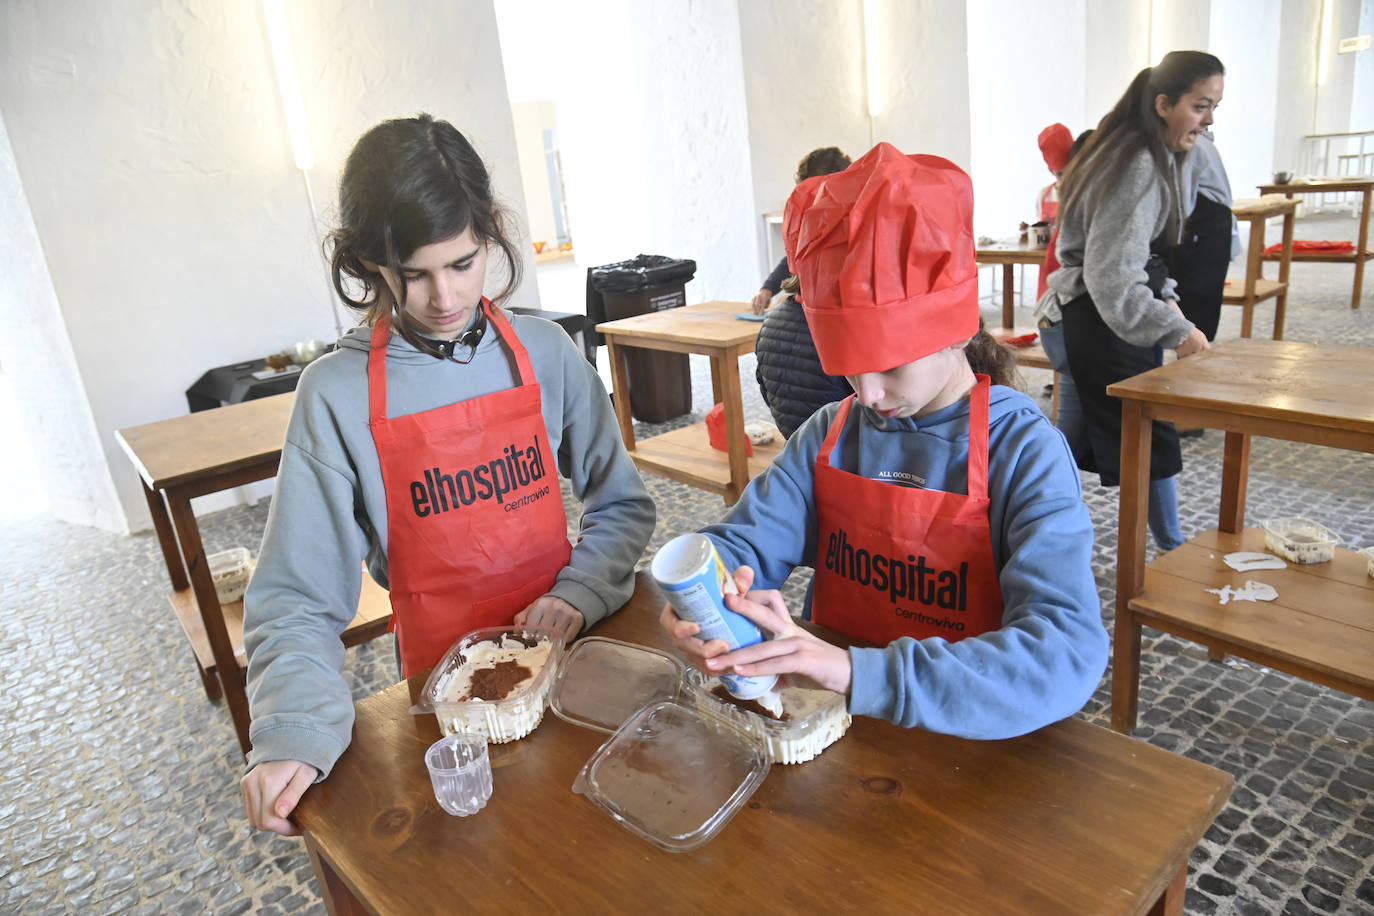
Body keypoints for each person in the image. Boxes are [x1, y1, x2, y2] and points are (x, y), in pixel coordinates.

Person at [240, 114, 655, 836]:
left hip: (572, 669)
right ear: (369, 263)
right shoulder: (335, 396)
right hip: (448, 705)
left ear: (489, 235)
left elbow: (622, 504)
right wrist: (294, 732)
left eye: (463, 263)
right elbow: (297, 597)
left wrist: (581, 591)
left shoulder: (545, 353)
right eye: (414, 274)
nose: (444, 298)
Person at [661, 144, 1108, 739]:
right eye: (848, 367)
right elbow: (745, 543)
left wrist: (859, 672)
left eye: (891, 364)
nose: (868, 394)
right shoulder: (831, 433)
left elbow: (1064, 654)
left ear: (955, 332)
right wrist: (707, 593)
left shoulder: (1023, 450)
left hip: (969, 730)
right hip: (839, 727)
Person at [1046, 51, 1221, 553]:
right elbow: (1114, 280)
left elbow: (1133, 255)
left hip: (1075, 315)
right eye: (1200, 106)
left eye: (1213, 108)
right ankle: (1173, 547)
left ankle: (1030, 534)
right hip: (1095, 321)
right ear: (1164, 104)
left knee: (1070, 440)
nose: (1209, 121)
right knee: (1149, 440)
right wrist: (1178, 332)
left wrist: (1166, 298)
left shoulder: (1124, 150)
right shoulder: (1138, 164)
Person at [1034, 129, 1094, 452]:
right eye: (1056, 173)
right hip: (1062, 306)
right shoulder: (1079, 199)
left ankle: (1060, 461)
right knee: (1071, 416)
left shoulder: (1082, 197)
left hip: (1063, 305)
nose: (1061, 180)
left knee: (1074, 411)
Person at [749, 146, 853, 315]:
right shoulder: (842, 209)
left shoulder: (847, 215)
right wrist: (768, 289)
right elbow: (799, 255)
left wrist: (790, 301)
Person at [1168, 129, 1239, 341]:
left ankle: (1195, 356)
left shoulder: (1190, 146)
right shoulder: (1194, 143)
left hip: (1204, 231)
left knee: (1196, 318)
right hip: (1205, 229)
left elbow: (1180, 205)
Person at [1035, 122, 1073, 225]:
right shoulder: (1043, 195)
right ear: (1051, 171)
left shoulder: (1082, 193)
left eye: (1070, 171)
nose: (1066, 178)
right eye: (1060, 174)